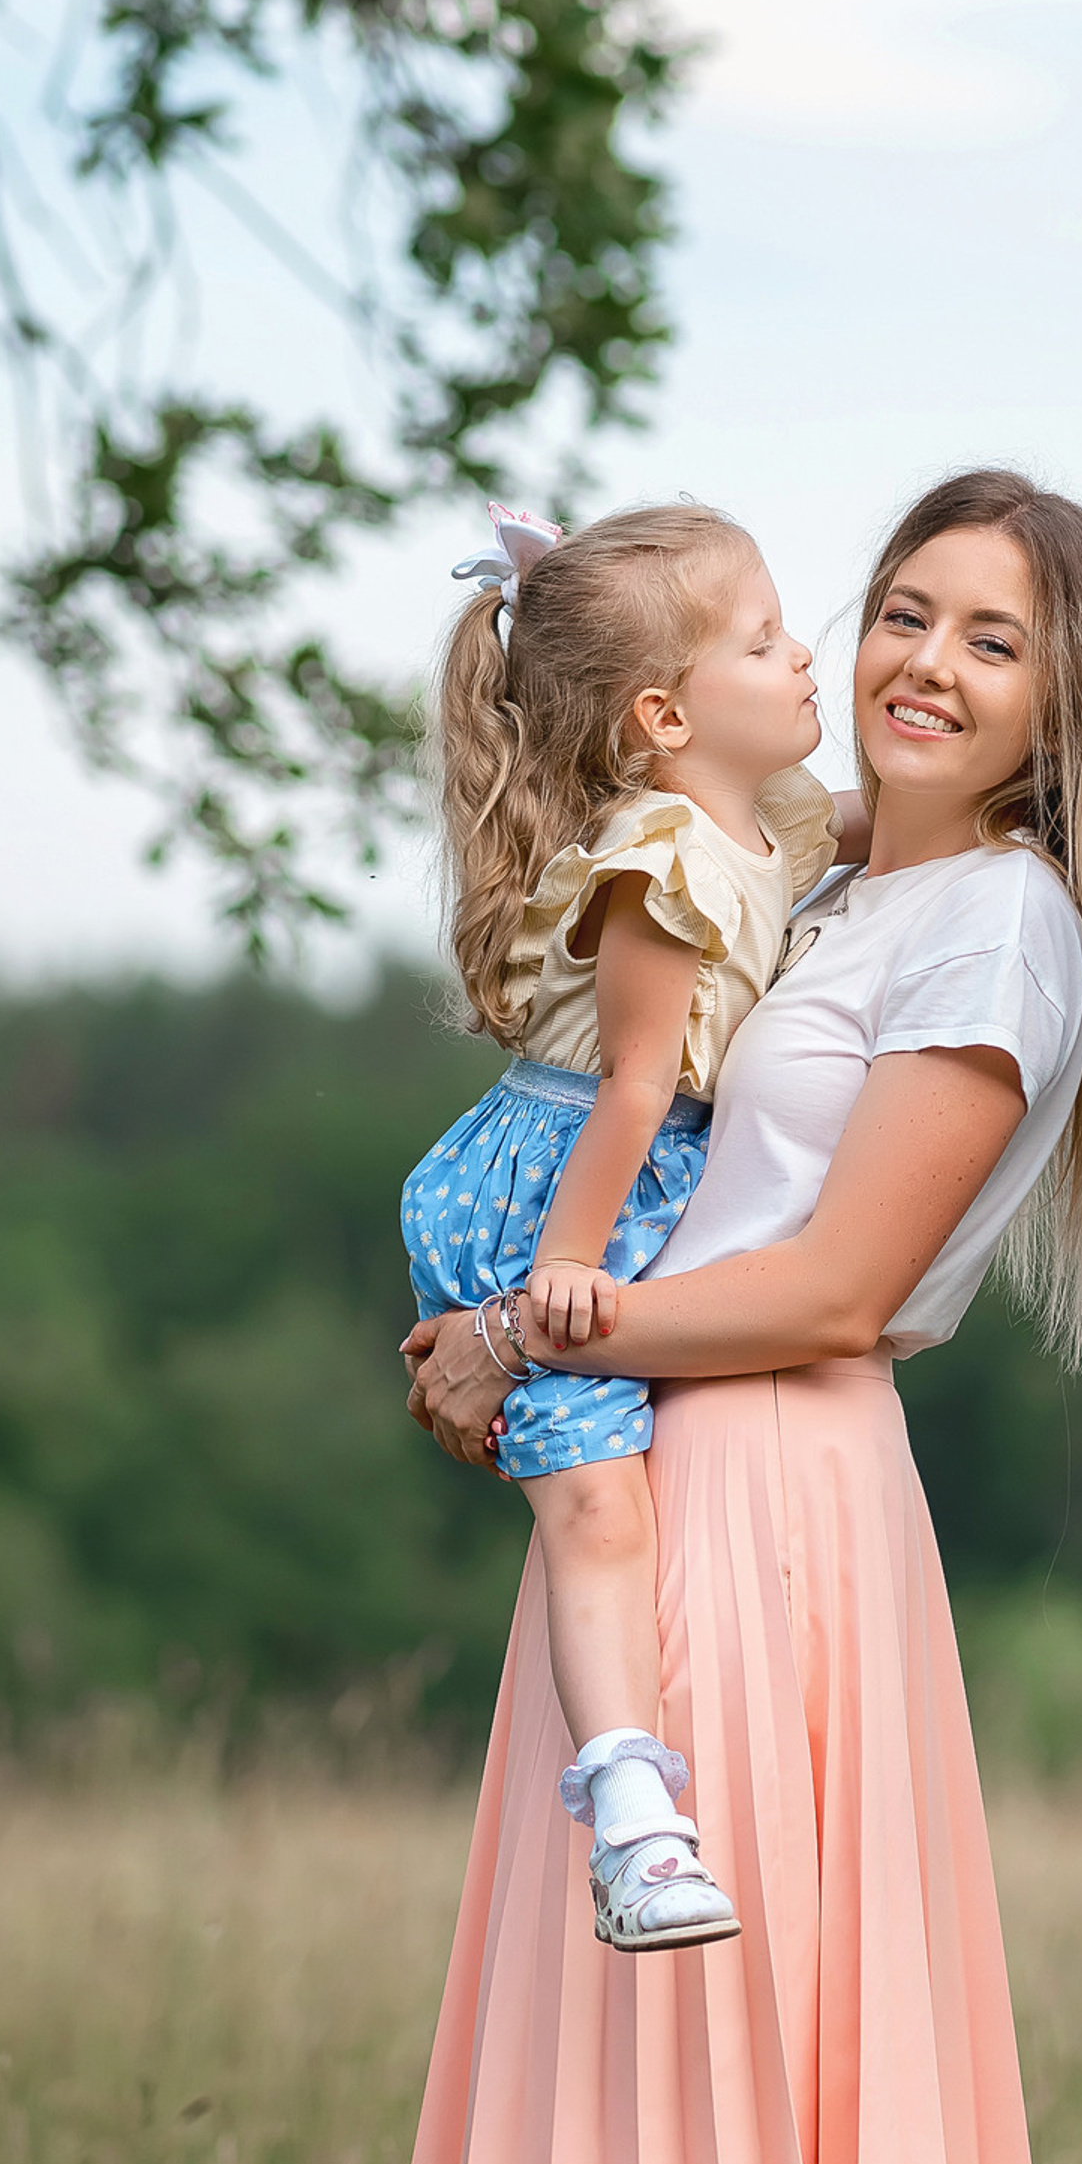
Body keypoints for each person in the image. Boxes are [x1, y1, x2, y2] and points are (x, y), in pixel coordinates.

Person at [399, 467, 1082, 2164]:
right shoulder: (810, 881)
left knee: (742, 2100)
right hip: (660, 1458)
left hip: (775, 1478)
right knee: (666, 2111)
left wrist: (512, 1332)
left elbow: (832, 1289)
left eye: (997, 641)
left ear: (1066, 706)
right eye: (905, 609)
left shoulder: (995, 921)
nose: (924, 662)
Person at [403, 501, 844, 1953]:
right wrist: (559, 1279)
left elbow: (860, 828)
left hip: (622, 1171)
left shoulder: (752, 817)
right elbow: (636, 1089)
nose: (806, 659)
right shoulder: (660, 861)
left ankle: (642, 1805)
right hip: (560, 1186)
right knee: (596, 1512)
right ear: (664, 714)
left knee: (627, 1502)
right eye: (766, 640)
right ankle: (636, 1825)